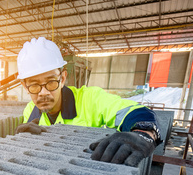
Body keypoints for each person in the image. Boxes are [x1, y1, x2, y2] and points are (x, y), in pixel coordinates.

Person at [15, 37, 162, 167]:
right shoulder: (30, 110)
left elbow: (137, 112)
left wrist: (143, 133)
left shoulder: (91, 99)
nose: (43, 93)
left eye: (51, 82)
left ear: (63, 78)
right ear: (25, 86)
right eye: (34, 85)